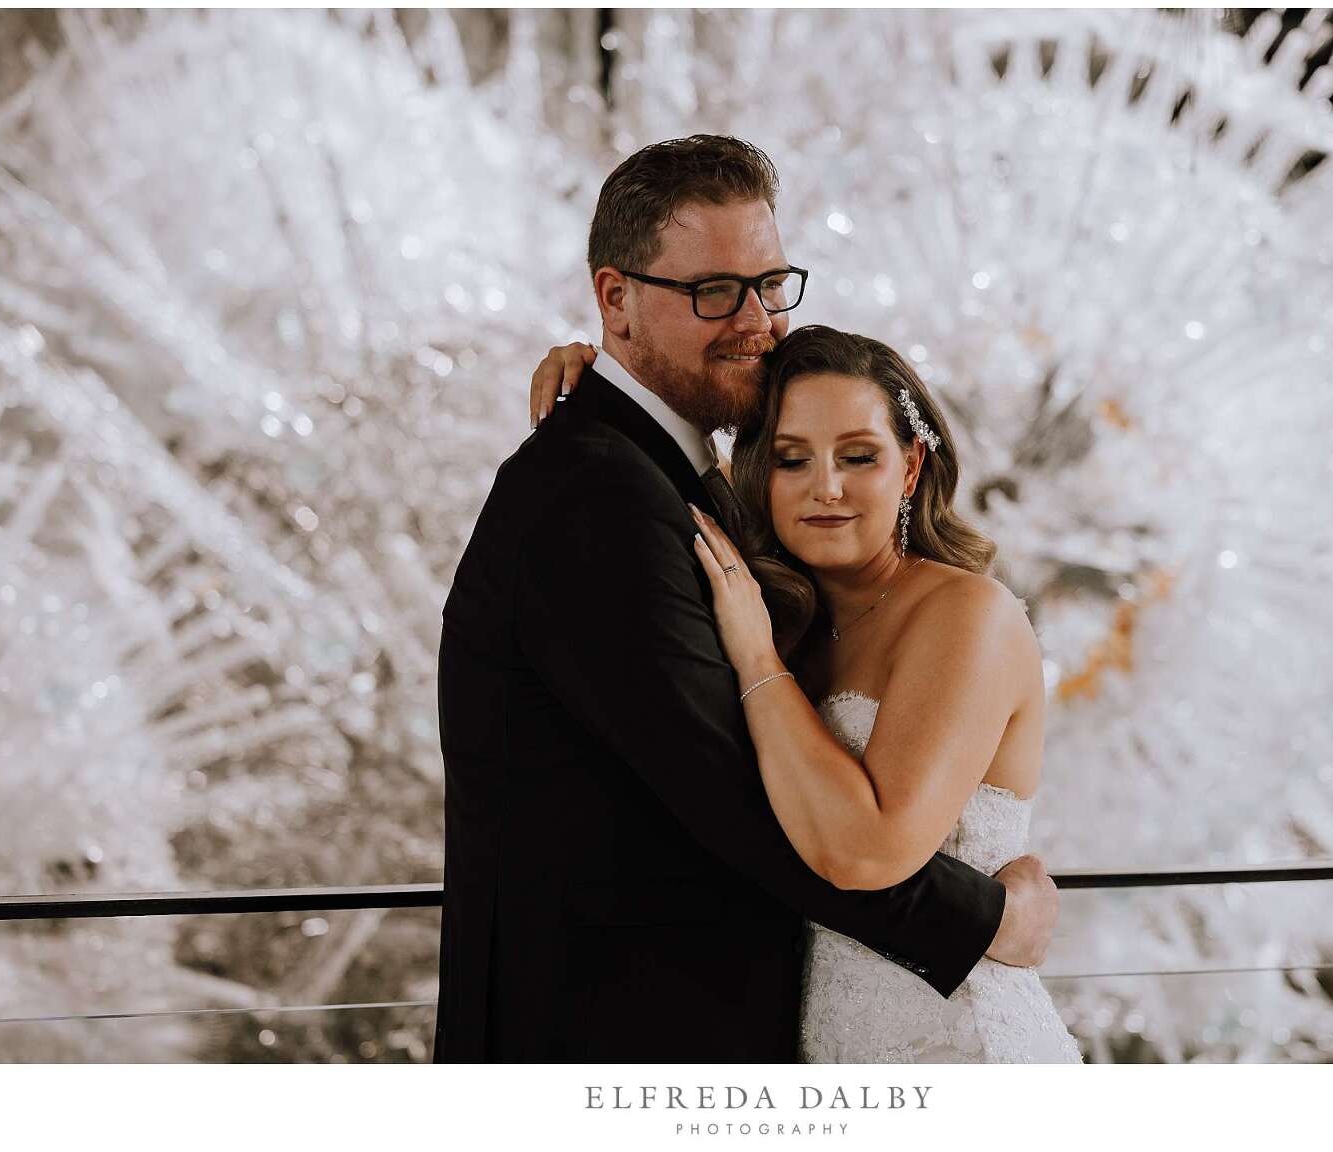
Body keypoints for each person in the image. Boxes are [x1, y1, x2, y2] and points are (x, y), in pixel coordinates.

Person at [436, 134, 1059, 1063]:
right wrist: (988, 919)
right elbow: (738, 801)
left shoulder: (665, 475)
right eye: (714, 291)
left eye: (771, 284)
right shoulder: (601, 495)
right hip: (614, 1043)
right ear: (616, 300)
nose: (756, 319)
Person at [530, 324, 1081, 1062]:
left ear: (911, 466)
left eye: (859, 456)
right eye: (793, 460)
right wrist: (605, 385)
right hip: (821, 1050)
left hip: (961, 1048)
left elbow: (867, 853)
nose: (826, 486)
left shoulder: (967, 614)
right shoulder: (781, 612)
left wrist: (757, 654)